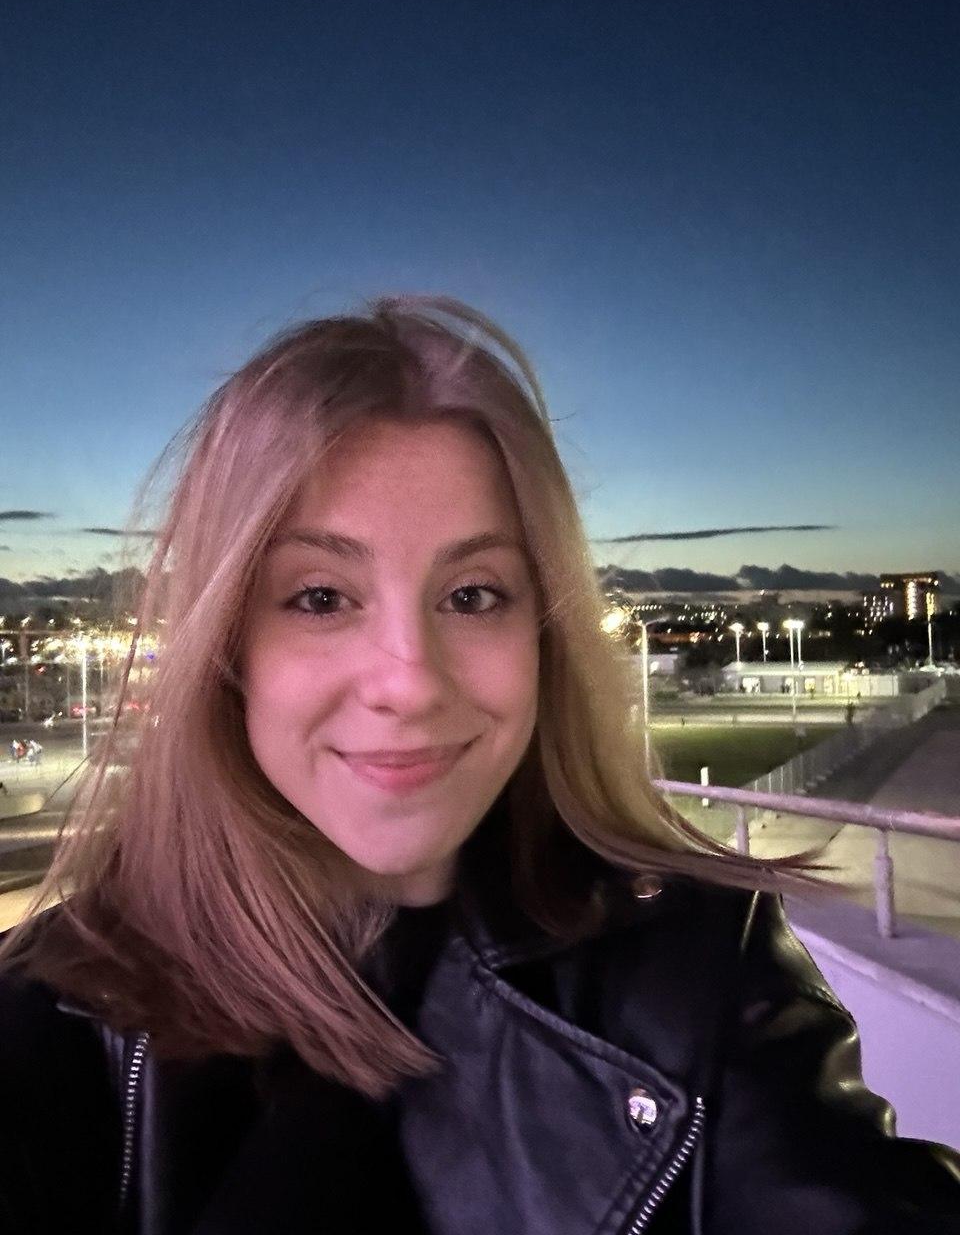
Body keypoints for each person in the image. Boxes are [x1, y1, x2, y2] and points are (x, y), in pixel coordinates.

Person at [0, 296, 958, 1234]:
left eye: (472, 595)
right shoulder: (55, 1021)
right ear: (226, 648)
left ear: (544, 630)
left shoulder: (695, 975)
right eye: (322, 596)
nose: (411, 682)